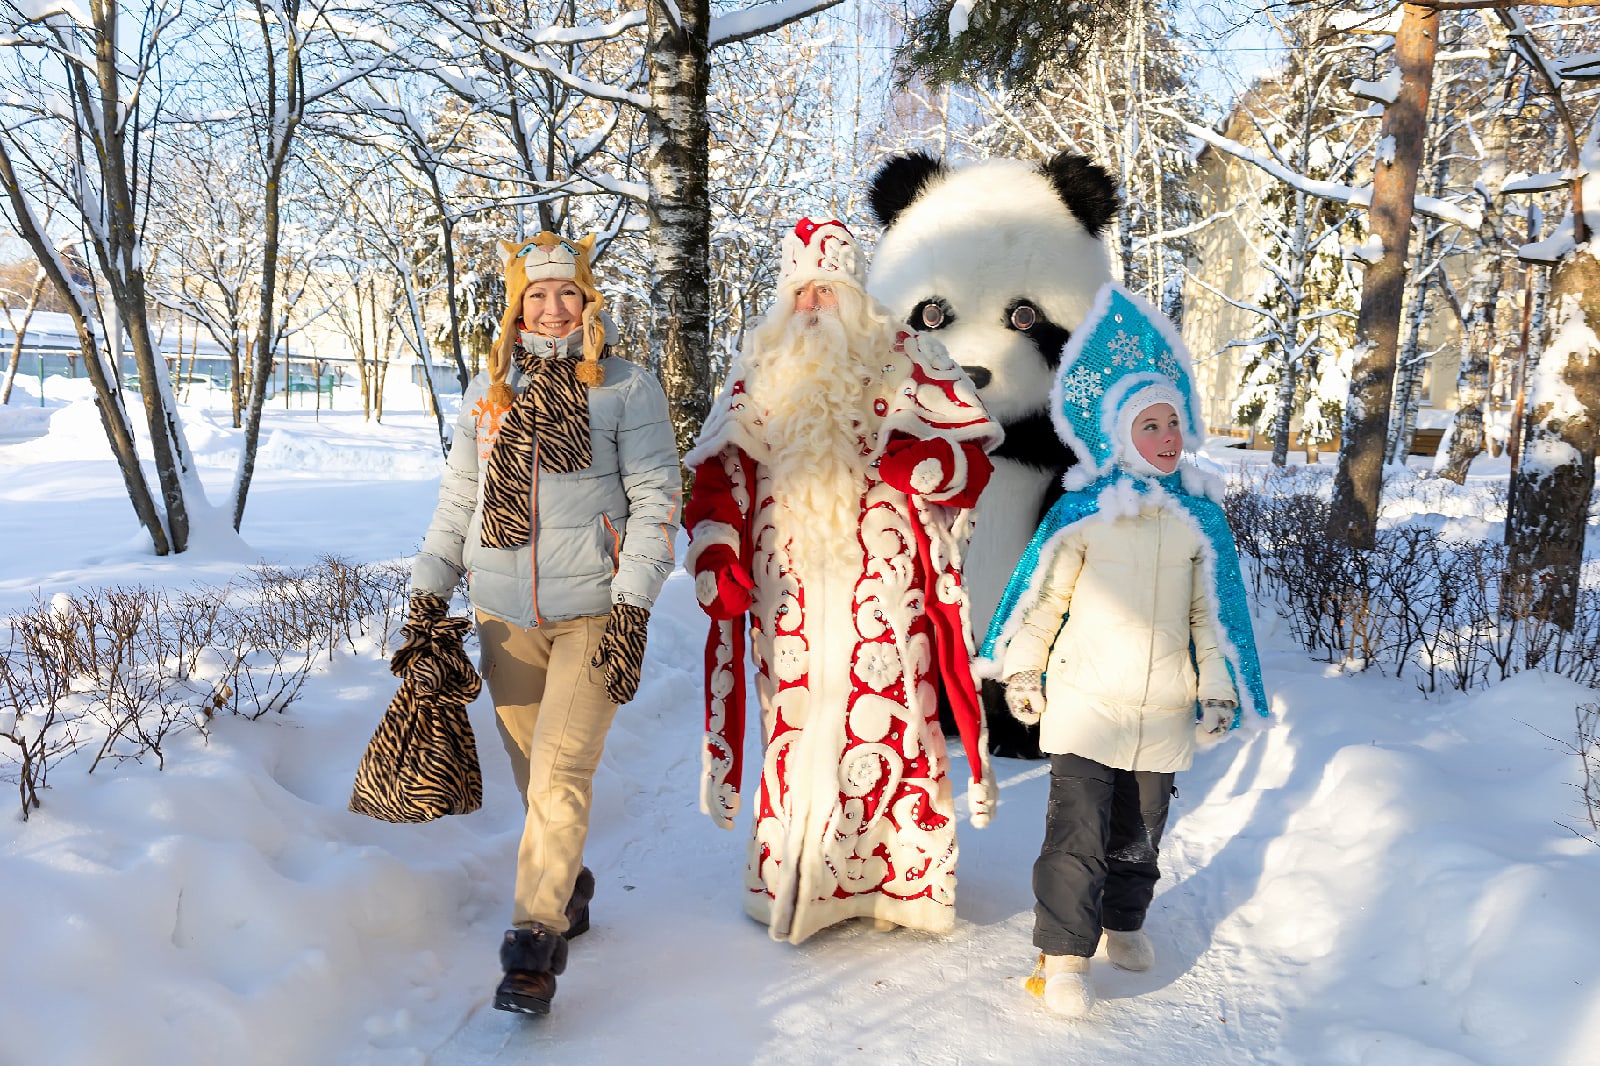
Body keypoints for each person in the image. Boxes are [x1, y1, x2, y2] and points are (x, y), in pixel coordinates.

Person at [682, 217, 1002, 944]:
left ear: (855, 296)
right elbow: (716, 479)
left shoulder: (907, 360)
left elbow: (972, 460)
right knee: (795, 723)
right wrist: (715, 551)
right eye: (802, 292)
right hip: (785, 589)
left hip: (887, 590)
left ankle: (898, 880)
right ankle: (799, 873)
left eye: (829, 291)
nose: (815, 305)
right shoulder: (758, 369)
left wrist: (926, 468)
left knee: (894, 720)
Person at [977, 283, 1268, 1019]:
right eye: (1152, 424)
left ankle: (1123, 921)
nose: (1169, 437)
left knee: (1139, 834)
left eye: (1174, 422)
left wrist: (1218, 688)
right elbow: (1042, 601)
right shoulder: (1083, 515)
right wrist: (1023, 672)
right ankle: (1065, 955)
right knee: (1075, 835)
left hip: (1164, 708)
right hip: (1083, 702)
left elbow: (1212, 618)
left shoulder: (1199, 521)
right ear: (1118, 432)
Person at [408, 232, 681, 1016]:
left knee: (560, 775)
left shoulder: (626, 387)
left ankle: (532, 945)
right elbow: (460, 500)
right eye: (537, 293)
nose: (553, 307)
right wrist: (429, 591)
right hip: (502, 613)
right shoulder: (490, 391)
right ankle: (569, 884)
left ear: (589, 299)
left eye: (568, 292)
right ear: (516, 303)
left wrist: (633, 604)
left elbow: (658, 498)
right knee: (533, 776)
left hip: (595, 610)